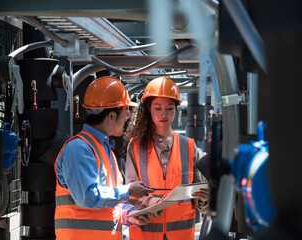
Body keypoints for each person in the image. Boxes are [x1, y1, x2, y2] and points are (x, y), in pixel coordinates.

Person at [54, 76, 156, 240]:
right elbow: (88, 198)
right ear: (110, 116)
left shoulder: (105, 150)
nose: (128, 117)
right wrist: (128, 190)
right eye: (126, 111)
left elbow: (109, 207)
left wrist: (132, 215)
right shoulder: (79, 149)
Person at [123, 76, 209, 240]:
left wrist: (204, 199)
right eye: (158, 108)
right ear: (148, 109)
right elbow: (130, 191)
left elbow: (202, 201)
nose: (164, 113)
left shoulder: (190, 147)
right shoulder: (135, 147)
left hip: (181, 235)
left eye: (169, 108)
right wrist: (151, 202)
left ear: (176, 109)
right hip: (146, 234)